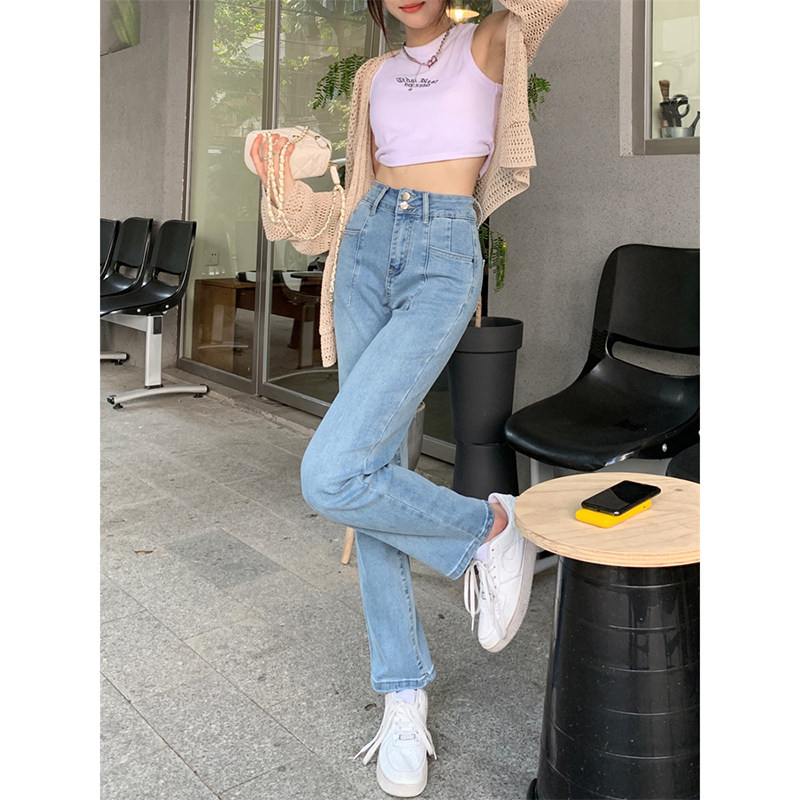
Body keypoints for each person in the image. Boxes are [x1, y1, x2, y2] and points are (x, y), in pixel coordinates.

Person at [250, 0, 568, 795]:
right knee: (370, 473)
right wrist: (285, 180)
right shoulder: (372, 75)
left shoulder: (493, 37)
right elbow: (349, 201)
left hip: (442, 252)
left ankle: (491, 531)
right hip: (363, 249)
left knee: (330, 474)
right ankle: (403, 691)